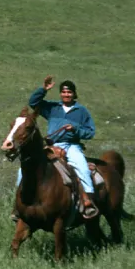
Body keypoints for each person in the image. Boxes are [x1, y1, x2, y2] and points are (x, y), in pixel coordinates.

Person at [27, 75, 99, 220]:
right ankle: (22, 203)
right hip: (52, 146)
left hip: (72, 146)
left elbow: (90, 132)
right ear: (60, 93)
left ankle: (88, 201)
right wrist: (44, 89)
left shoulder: (82, 111)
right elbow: (33, 103)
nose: (66, 95)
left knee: (82, 168)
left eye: (69, 92)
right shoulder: (52, 108)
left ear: (74, 94)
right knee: (28, 167)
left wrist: (75, 129)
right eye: (64, 92)